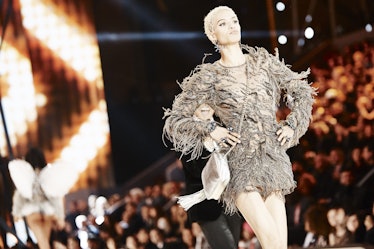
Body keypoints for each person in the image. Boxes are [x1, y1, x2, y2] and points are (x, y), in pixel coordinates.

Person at [162, 6, 316, 249]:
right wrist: (211, 128)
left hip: (273, 159)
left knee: (278, 246)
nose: (232, 26)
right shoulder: (208, 77)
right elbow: (175, 121)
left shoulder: (263, 62)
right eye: (223, 24)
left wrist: (292, 125)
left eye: (234, 21)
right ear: (213, 35)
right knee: (272, 241)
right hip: (239, 164)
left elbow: (303, 92)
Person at [8, 147, 79, 249]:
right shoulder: (47, 175)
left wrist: (16, 213)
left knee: (43, 245)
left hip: (32, 213)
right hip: (48, 212)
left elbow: (19, 195)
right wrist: (60, 216)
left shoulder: (26, 177)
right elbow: (56, 197)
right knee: (50, 241)